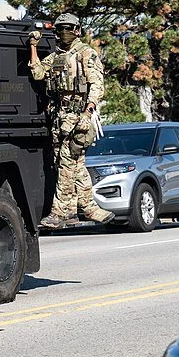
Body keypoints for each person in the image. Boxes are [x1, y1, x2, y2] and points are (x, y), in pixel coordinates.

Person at [29, 13, 114, 228]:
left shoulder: (86, 53)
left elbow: (97, 85)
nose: (64, 32)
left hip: (78, 117)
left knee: (67, 164)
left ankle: (59, 213)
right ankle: (87, 209)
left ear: (77, 30)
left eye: (68, 28)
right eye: (60, 29)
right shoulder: (56, 57)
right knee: (73, 164)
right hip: (59, 118)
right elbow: (38, 74)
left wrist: (88, 113)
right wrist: (33, 46)